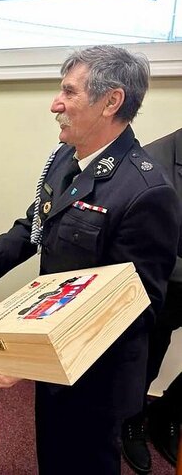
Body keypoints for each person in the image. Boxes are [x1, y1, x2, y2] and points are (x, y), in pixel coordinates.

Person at [0, 45, 180, 475]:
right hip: (54, 355)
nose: (55, 104)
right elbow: (35, 224)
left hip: (96, 375)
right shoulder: (68, 155)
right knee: (52, 452)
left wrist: (30, 356)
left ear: (111, 101)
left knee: (84, 461)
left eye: (69, 92)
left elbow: (133, 311)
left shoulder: (146, 191)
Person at [121, 128, 182, 473]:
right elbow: (145, 248)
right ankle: (132, 420)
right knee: (147, 359)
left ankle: (168, 411)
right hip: (163, 285)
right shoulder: (154, 161)